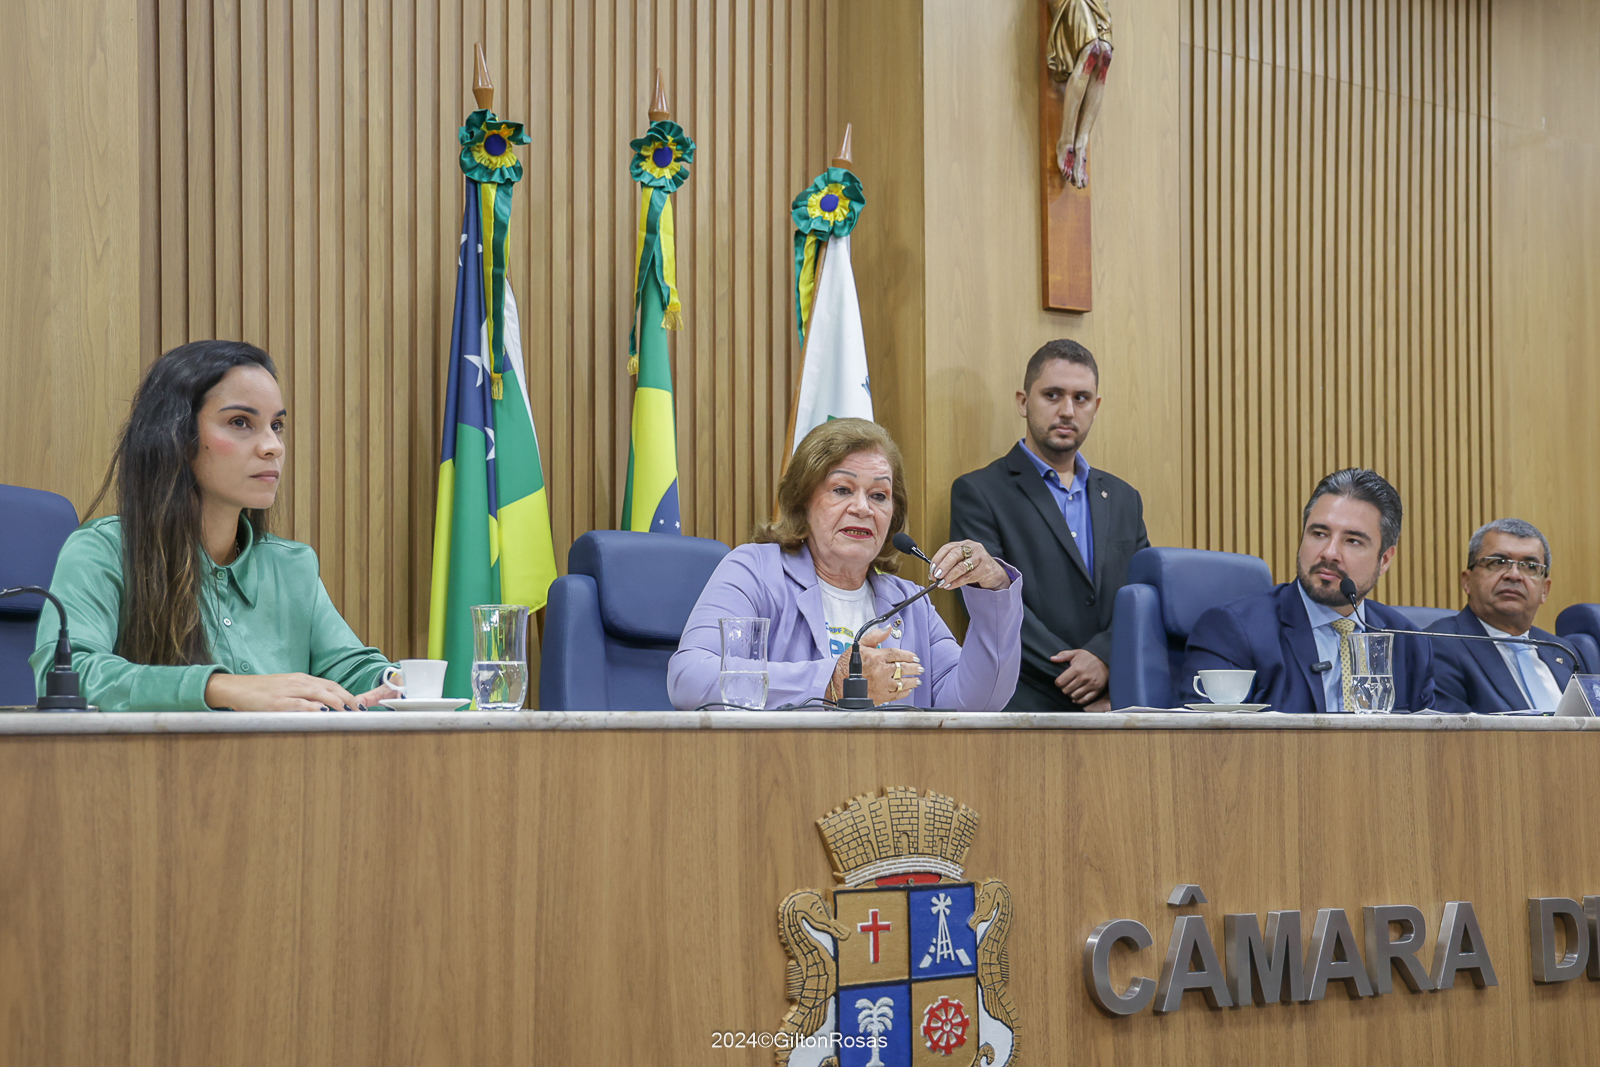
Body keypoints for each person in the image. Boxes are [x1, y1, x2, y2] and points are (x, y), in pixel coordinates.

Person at [30, 340, 401, 712]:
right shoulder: (103, 550)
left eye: (276, 425)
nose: (272, 446)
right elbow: (67, 675)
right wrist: (221, 688)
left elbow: (353, 670)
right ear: (176, 435)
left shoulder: (293, 566)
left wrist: (395, 682)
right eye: (240, 422)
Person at [668, 419, 1023, 711]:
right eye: (842, 489)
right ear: (803, 501)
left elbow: (976, 704)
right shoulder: (755, 572)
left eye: (879, 495)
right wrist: (831, 682)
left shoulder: (910, 603)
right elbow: (689, 678)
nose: (863, 508)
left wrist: (994, 588)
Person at [949, 340, 1149, 711]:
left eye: (1081, 398)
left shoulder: (1124, 498)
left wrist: (1104, 659)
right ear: (1023, 402)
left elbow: (1143, 594)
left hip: (1115, 703)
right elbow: (987, 601)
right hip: (1026, 704)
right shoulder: (979, 492)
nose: (1067, 411)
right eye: (1053, 395)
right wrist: (1075, 676)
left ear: (1096, 407)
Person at [1183, 469, 1435, 713]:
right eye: (1319, 534)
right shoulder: (1233, 631)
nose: (1330, 553)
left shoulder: (1409, 644)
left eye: (1352, 541)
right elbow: (1208, 739)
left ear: (1385, 560)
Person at [1427, 519, 1585, 713]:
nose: (1514, 575)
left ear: (1545, 590)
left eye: (1530, 566)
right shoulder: (1437, 646)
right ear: (1467, 581)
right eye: (1498, 562)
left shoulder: (1566, 652)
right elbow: (1452, 731)